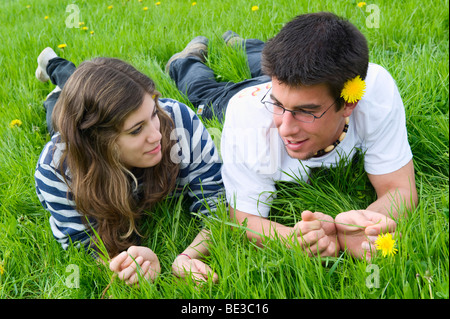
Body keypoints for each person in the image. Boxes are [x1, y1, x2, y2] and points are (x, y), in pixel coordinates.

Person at [166, 12, 418, 260]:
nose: (285, 128)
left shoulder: (376, 91)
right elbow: (244, 218)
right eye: (278, 106)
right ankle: (184, 62)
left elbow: (399, 189)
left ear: (349, 103)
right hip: (249, 97)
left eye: (306, 112)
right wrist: (296, 240)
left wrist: (356, 228)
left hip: (281, 87)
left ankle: (243, 45)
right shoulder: (248, 117)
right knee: (207, 95)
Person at [34, 48, 222, 285]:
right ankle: (53, 78)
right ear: (97, 143)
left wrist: (187, 256)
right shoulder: (56, 171)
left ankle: (54, 67)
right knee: (58, 112)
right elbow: (82, 244)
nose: (157, 135)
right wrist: (126, 265)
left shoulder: (179, 121)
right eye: (136, 130)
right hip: (73, 139)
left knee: (80, 91)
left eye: (153, 113)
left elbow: (218, 205)